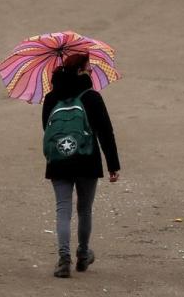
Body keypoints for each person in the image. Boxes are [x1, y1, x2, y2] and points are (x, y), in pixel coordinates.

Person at [41, 52, 120, 278]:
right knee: (84, 210)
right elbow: (105, 132)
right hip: (87, 159)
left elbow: (47, 129)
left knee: (62, 210)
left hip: (59, 160)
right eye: (88, 67)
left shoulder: (51, 98)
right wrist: (113, 164)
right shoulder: (92, 97)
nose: (91, 70)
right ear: (79, 71)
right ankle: (83, 254)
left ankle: (64, 259)